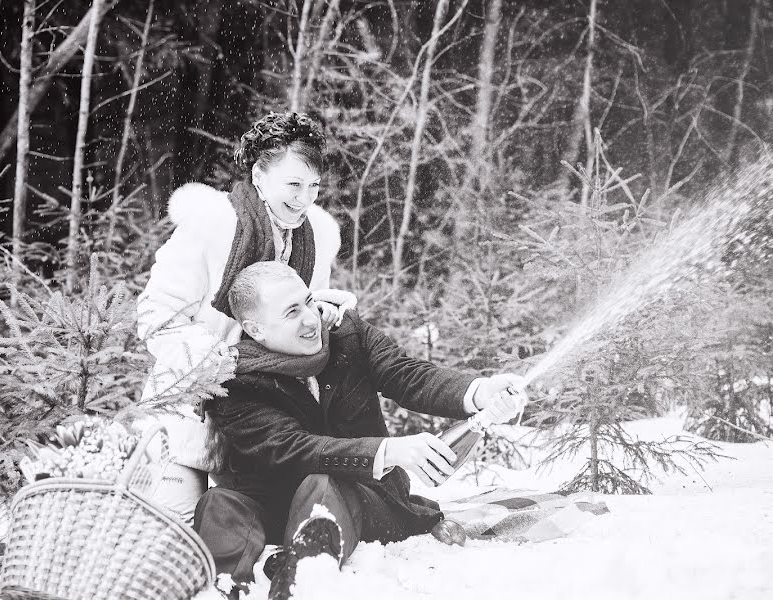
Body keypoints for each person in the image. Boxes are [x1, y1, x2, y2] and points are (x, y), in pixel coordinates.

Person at [195, 262, 527, 600]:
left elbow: (409, 376)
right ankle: (220, 590)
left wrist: (481, 392)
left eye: (308, 301)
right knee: (219, 502)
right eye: (292, 312)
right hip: (275, 504)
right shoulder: (233, 380)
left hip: (365, 499)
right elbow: (290, 447)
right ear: (256, 329)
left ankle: (299, 586)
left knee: (322, 483)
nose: (311, 319)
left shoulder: (348, 336)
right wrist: (388, 450)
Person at [136, 112, 356, 522]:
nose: (304, 199)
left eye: (314, 187)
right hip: (191, 403)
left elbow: (304, 306)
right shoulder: (212, 224)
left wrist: (322, 312)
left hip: (265, 413)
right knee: (175, 534)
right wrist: (214, 359)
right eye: (293, 184)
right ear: (259, 175)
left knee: (250, 531)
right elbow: (156, 314)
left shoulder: (319, 235)